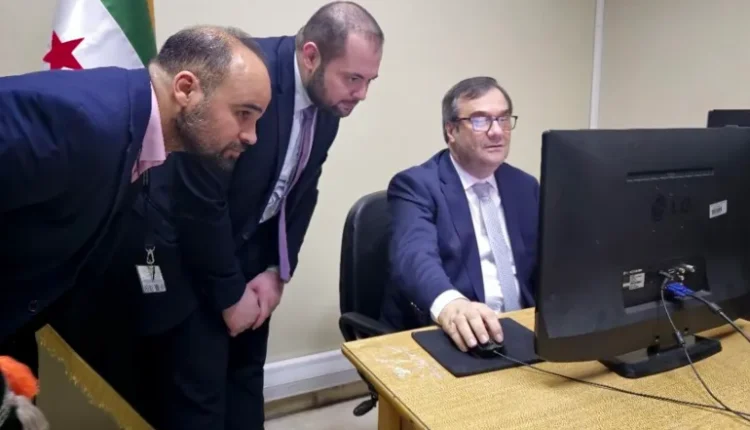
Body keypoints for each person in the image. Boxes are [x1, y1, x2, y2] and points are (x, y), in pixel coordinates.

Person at [52, 2, 384, 429]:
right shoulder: (245, 78)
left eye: (369, 81)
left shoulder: (329, 106)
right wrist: (229, 295)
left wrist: (276, 271)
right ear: (311, 55)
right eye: (353, 78)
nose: (361, 94)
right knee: (199, 402)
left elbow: (302, 191)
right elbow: (198, 198)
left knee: (245, 384)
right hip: (190, 263)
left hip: (252, 268)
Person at [0, 25, 272, 377]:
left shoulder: (137, 127)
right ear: (186, 89)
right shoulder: (83, 121)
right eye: (243, 114)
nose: (252, 136)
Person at [379, 76, 539, 352]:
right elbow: (414, 256)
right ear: (451, 130)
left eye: (502, 119)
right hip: (453, 333)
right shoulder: (416, 186)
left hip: (522, 329)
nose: (496, 131)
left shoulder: (525, 186)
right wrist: (451, 305)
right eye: (480, 120)